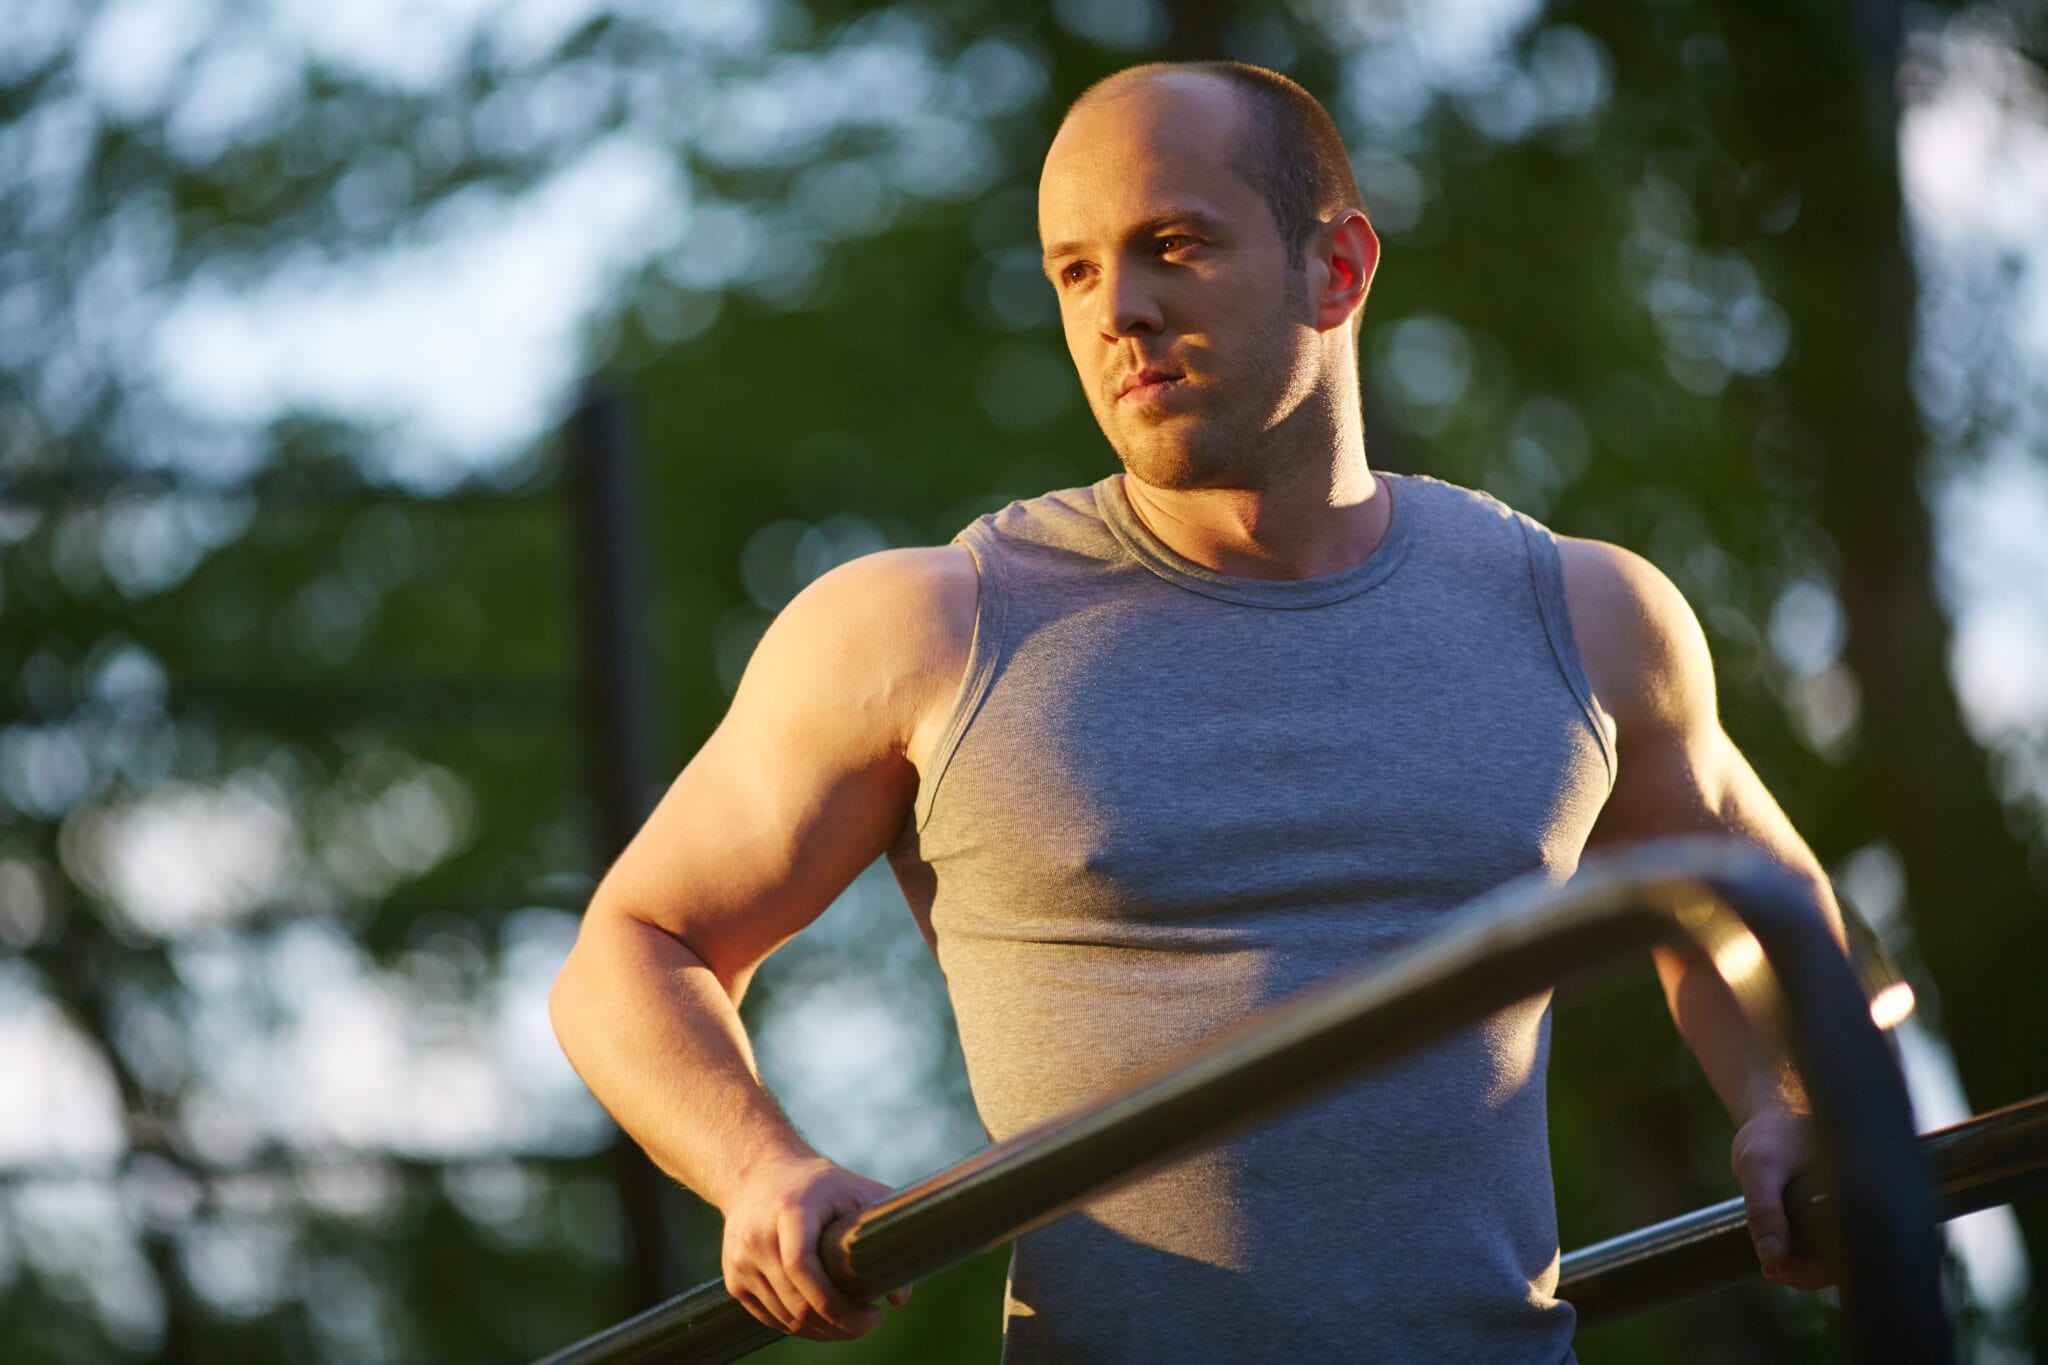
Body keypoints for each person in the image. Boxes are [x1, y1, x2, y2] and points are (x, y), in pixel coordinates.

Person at [549, 60, 1843, 1359]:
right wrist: (758, 1167)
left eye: (1173, 245)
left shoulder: (1582, 613)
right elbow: (633, 941)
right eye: (1073, 270)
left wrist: (1796, 1100)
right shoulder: (921, 629)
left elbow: (1751, 902)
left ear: (1336, 269)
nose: (1121, 308)